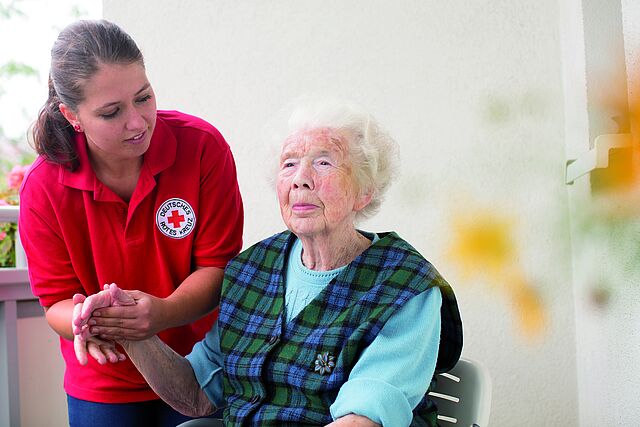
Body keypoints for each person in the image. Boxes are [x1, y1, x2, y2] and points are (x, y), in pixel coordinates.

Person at [75, 99, 463, 426]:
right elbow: (196, 394)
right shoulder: (252, 270)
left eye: (324, 163)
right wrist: (130, 331)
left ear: (364, 191)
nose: (300, 180)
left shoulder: (405, 285)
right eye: (289, 164)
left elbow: (362, 418)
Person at [18, 19, 243, 427]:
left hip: (202, 373)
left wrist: (161, 312)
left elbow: (219, 268)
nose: (138, 122)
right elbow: (55, 303)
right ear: (72, 115)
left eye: (143, 98)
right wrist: (88, 319)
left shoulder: (202, 148)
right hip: (104, 386)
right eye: (112, 112)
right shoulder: (43, 186)